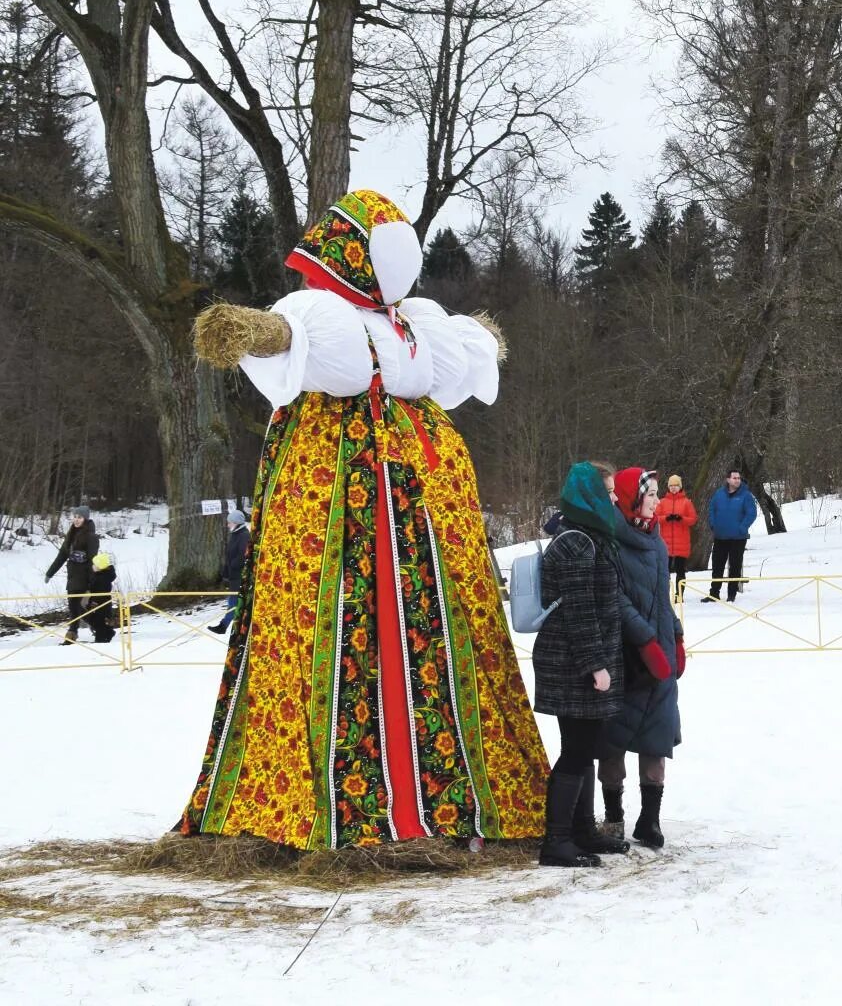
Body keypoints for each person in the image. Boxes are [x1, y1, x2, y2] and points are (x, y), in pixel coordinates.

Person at [178, 189, 549, 850]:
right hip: (352, 477)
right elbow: (285, 336)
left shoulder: (414, 325)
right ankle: (352, 788)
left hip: (411, 476)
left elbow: (457, 355)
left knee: (431, 610)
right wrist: (252, 332)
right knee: (335, 608)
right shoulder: (323, 322)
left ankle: (434, 784)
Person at [534, 461, 628, 867]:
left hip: (582, 658)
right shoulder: (575, 543)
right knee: (575, 750)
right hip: (570, 662)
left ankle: (583, 831)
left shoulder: (593, 537)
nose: (614, 499)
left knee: (584, 747)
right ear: (588, 496)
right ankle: (557, 841)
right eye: (608, 492)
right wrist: (596, 665)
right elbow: (579, 611)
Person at [600, 468, 686, 849]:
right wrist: (644, 640)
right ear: (631, 498)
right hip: (625, 655)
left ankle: (649, 819)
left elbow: (662, 597)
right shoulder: (610, 541)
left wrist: (676, 636)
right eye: (649, 494)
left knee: (657, 735)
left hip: (660, 654)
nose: (655, 500)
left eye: (654, 494)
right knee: (614, 738)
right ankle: (614, 818)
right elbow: (614, 598)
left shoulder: (657, 542)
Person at [45, 506, 98, 643]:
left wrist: (93, 577)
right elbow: (62, 555)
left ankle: (73, 632)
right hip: (73, 575)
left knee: (75, 604)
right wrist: (50, 573)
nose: (76, 520)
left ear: (85, 518)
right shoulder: (71, 534)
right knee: (73, 605)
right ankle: (92, 625)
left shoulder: (91, 536)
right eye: (75, 517)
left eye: (79, 517)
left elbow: (93, 558)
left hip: (84, 574)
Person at [704, 468, 758, 603]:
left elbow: (751, 513)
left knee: (734, 566)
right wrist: (713, 524)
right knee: (717, 566)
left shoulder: (746, 495)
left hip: (738, 538)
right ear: (728, 479)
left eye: (738, 478)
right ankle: (714, 593)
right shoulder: (719, 494)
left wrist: (742, 527)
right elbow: (712, 509)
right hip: (720, 536)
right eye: (734, 478)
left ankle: (731, 595)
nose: (737, 480)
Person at [207, 509, 252, 635]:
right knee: (233, 602)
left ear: (237, 523)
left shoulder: (244, 535)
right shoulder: (235, 535)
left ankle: (225, 627)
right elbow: (229, 555)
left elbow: (242, 555)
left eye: (230, 523)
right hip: (233, 576)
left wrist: (232, 566)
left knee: (234, 603)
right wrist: (225, 573)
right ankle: (229, 627)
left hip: (239, 576)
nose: (228, 525)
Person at [658, 475, 699, 602]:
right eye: (671, 486)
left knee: (680, 570)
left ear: (680, 487)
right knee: (665, 570)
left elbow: (693, 519)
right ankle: (664, 594)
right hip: (666, 542)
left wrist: (682, 519)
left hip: (682, 541)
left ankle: (679, 595)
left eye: (675, 486)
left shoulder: (687, 502)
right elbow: (656, 517)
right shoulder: (662, 502)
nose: (673, 488)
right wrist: (666, 518)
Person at [86, 551, 118, 645]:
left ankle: (101, 639)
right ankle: (106, 634)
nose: (93, 566)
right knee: (96, 620)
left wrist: (94, 602)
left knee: (98, 621)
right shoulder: (101, 575)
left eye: (95, 565)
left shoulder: (102, 577)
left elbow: (100, 591)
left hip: (100, 602)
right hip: (100, 602)